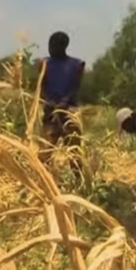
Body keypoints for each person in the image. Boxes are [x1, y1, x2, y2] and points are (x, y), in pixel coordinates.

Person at [39, 31, 85, 178]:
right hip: (50, 112)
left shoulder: (77, 65)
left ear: (62, 46)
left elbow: (75, 87)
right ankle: (44, 183)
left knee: (74, 152)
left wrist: (64, 102)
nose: (50, 49)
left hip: (69, 113)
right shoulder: (44, 64)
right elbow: (42, 87)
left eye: (52, 45)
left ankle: (80, 183)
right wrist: (50, 101)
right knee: (44, 151)